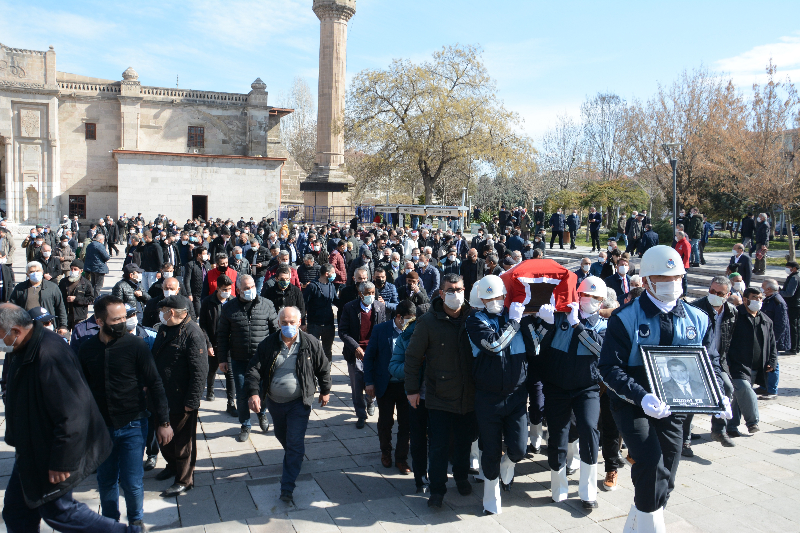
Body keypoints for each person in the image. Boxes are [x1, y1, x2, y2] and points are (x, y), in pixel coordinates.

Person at [598, 245, 731, 532]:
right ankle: (651, 525)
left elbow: (712, 361)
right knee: (649, 461)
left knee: (667, 474)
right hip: (634, 401)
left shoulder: (699, 318)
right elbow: (609, 368)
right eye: (663, 278)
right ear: (645, 281)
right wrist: (641, 396)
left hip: (677, 403)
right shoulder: (625, 318)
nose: (673, 284)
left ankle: (639, 516)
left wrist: (719, 392)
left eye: (677, 277)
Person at [0, 303, 142, 532]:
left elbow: (73, 413)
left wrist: (62, 461)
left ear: (15, 330)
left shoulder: (49, 354)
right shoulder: (23, 347)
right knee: (17, 511)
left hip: (51, 452)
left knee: (61, 513)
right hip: (31, 449)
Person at [77, 296, 173, 527]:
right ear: (100, 321)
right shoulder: (87, 349)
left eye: (124, 317)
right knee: (106, 479)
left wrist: (164, 422)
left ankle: (136, 522)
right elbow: (80, 388)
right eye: (116, 319)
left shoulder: (136, 345)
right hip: (101, 428)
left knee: (132, 481)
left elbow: (155, 383)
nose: (123, 323)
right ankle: (110, 523)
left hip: (133, 424)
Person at [244, 306, 331, 503]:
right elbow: (253, 370)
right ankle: (295, 453)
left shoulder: (310, 343)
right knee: (282, 436)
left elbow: (323, 368)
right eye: (284, 323)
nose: (288, 326)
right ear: (278, 323)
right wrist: (253, 393)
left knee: (294, 441)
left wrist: (325, 391)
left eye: (292, 322)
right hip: (275, 402)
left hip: (299, 403)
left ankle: (287, 487)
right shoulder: (269, 344)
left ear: (300, 323)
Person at [404, 273, 476, 508]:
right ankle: (437, 490)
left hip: (468, 394)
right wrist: (412, 389)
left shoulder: (474, 317)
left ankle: (462, 476)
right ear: (441, 293)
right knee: (438, 445)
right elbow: (413, 357)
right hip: (439, 395)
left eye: (460, 289)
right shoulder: (428, 321)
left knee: (464, 442)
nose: (456, 294)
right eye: (451, 290)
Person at [536, 276, 607, 509]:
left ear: (602, 301)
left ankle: (588, 492)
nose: (590, 301)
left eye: (596, 298)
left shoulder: (604, 325)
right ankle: (558, 487)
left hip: (587, 387)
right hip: (556, 387)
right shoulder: (560, 317)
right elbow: (539, 347)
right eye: (586, 295)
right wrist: (545, 323)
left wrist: (579, 326)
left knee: (589, 429)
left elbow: (600, 350)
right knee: (557, 435)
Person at [465, 276, 530, 515]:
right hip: (488, 396)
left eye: (499, 296)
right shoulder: (475, 320)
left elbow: (535, 346)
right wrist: (513, 322)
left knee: (519, 449)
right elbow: (493, 345)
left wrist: (540, 322)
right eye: (490, 298)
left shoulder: (513, 314)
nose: (496, 301)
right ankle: (490, 499)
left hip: (516, 395)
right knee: (490, 450)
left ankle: (509, 464)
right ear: (481, 299)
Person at [151, 295, 208, 497]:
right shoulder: (164, 328)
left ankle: (184, 479)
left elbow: (199, 371)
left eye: (164, 310)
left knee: (183, 442)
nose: (162, 314)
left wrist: (192, 402)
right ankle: (171, 465)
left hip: (181, 399)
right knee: (164, 439)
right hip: (161, 396)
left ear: (172, 312)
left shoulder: (193, 333)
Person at [217, 274, 279, 441]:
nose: (250, 290)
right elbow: (222, 335)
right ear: (238, 290)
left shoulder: (267, 305)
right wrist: (222, 359)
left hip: (262, 360)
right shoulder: (229, 308)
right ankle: (245, 424)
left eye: (252, 287)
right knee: (242, 392)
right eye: (246, 288)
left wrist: (276, 355)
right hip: (239, 359)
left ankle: (262, 413)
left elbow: (275, 332)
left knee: (263, 390)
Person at [364, 300, 415, 474]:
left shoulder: (414, 331)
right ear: (399, 317)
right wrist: (369, 382)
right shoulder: (381, 330)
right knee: (385, 422)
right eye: (408, 319)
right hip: (385, 384)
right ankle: (386, 452)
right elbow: (369, 357)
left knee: (406, 424)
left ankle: (401, 458)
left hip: (406, 385)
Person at [691, 276, 738, 448]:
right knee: (692, 395)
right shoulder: (696, 308)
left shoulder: (732, 312)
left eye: (719, 293)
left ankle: (719, 430)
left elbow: (732, 338)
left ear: (728, 294)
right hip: (697, 359)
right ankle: (685, 439)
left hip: (719, 360)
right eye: (712, 291)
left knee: (726, 388)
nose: (715, 295)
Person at [726, 287, 777, 435]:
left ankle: (731, 426)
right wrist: (727, 360)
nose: (758, 301)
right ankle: (752, 422)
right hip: (737, 365)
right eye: (755, 297)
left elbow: (772, 344)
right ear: (746, 299)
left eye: (760, 298)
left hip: (757, 366)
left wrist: (772, 361)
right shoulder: (735, 316)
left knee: (738, 396)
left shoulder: (766, 320)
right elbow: (725, 340)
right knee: (746, 390)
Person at [339, 281, 385, 428]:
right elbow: (343, 332)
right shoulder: (350, 307)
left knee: (372, 382)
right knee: (357, 385)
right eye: (368, 293)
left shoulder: (379, 307)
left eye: (373, 293)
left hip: (373, 352)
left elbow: (383, 329)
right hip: (356, 352)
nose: (371, 296)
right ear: (360, 294)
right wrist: (355, 347)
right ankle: (361, 414)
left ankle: (370, 401)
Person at [199, 274, 237, 416]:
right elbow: (202, 325)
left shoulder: (233, 301)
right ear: (218, 288)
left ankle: (231, 403)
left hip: (230, 345)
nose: (227, 291)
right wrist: (208, 344)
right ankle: (210, 390)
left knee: (230, 374)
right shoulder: (208, 302)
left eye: (229, 288)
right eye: (224, 289)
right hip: (214, 343)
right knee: (212, 369)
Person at [10, 261, 68, 329]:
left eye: (38, 271)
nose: (35, 273)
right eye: (31, 272)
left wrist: (63, 325)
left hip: (46, 325)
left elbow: (60, 307)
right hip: (27, 326)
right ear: (27, 274)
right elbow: (12, 307)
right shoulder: (20, 288)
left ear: (42, 272)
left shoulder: (52, 287)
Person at [760, 279, 789, 399]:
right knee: (765, 361)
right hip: (767, 337)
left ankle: (772, 390)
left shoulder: (778, 302)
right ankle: (764, 386)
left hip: (773, 339)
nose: (761, 289)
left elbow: (781, 324)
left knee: (773, 363)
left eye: (763, 287)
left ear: (769, 289)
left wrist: (773, 341)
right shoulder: (769, 299)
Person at [303, 264, 338, 361]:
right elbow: (303, 304)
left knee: (327, 350)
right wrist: (302, 322)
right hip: (314, 324)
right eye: (333, 273)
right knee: (313, 350)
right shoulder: (312, 287)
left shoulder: (331, 286)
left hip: (328, 324)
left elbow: (337, 301)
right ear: (327, 274)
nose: (335, 275)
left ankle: (326, 371)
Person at [58, 259, 95, 329]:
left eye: (75, 269)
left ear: (81, 271)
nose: (72, 271)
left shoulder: (86, 283)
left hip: (79, 316)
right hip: (65, 315)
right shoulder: (63, 282)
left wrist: (76, 299)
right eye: (71, 269)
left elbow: (91, 299)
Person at [184, 247, 211, 317]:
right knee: (198, 313)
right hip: (196, 294)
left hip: (206, 293)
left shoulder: (207, 264)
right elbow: (187, 280)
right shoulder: (191, 265)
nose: (206, 255)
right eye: (204, 253)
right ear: (199, 255)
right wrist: (189, 294)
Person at [781, 261, 800, 355]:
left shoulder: (794, 278)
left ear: (794, 268)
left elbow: (789, 293)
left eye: (788, 267)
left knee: (793, 327)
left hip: (793, 305)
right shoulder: (797, 276)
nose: (787, 269)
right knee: (797, 326)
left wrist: (778, 293)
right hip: (797, 304)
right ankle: (797, 347)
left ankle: (793, 348)